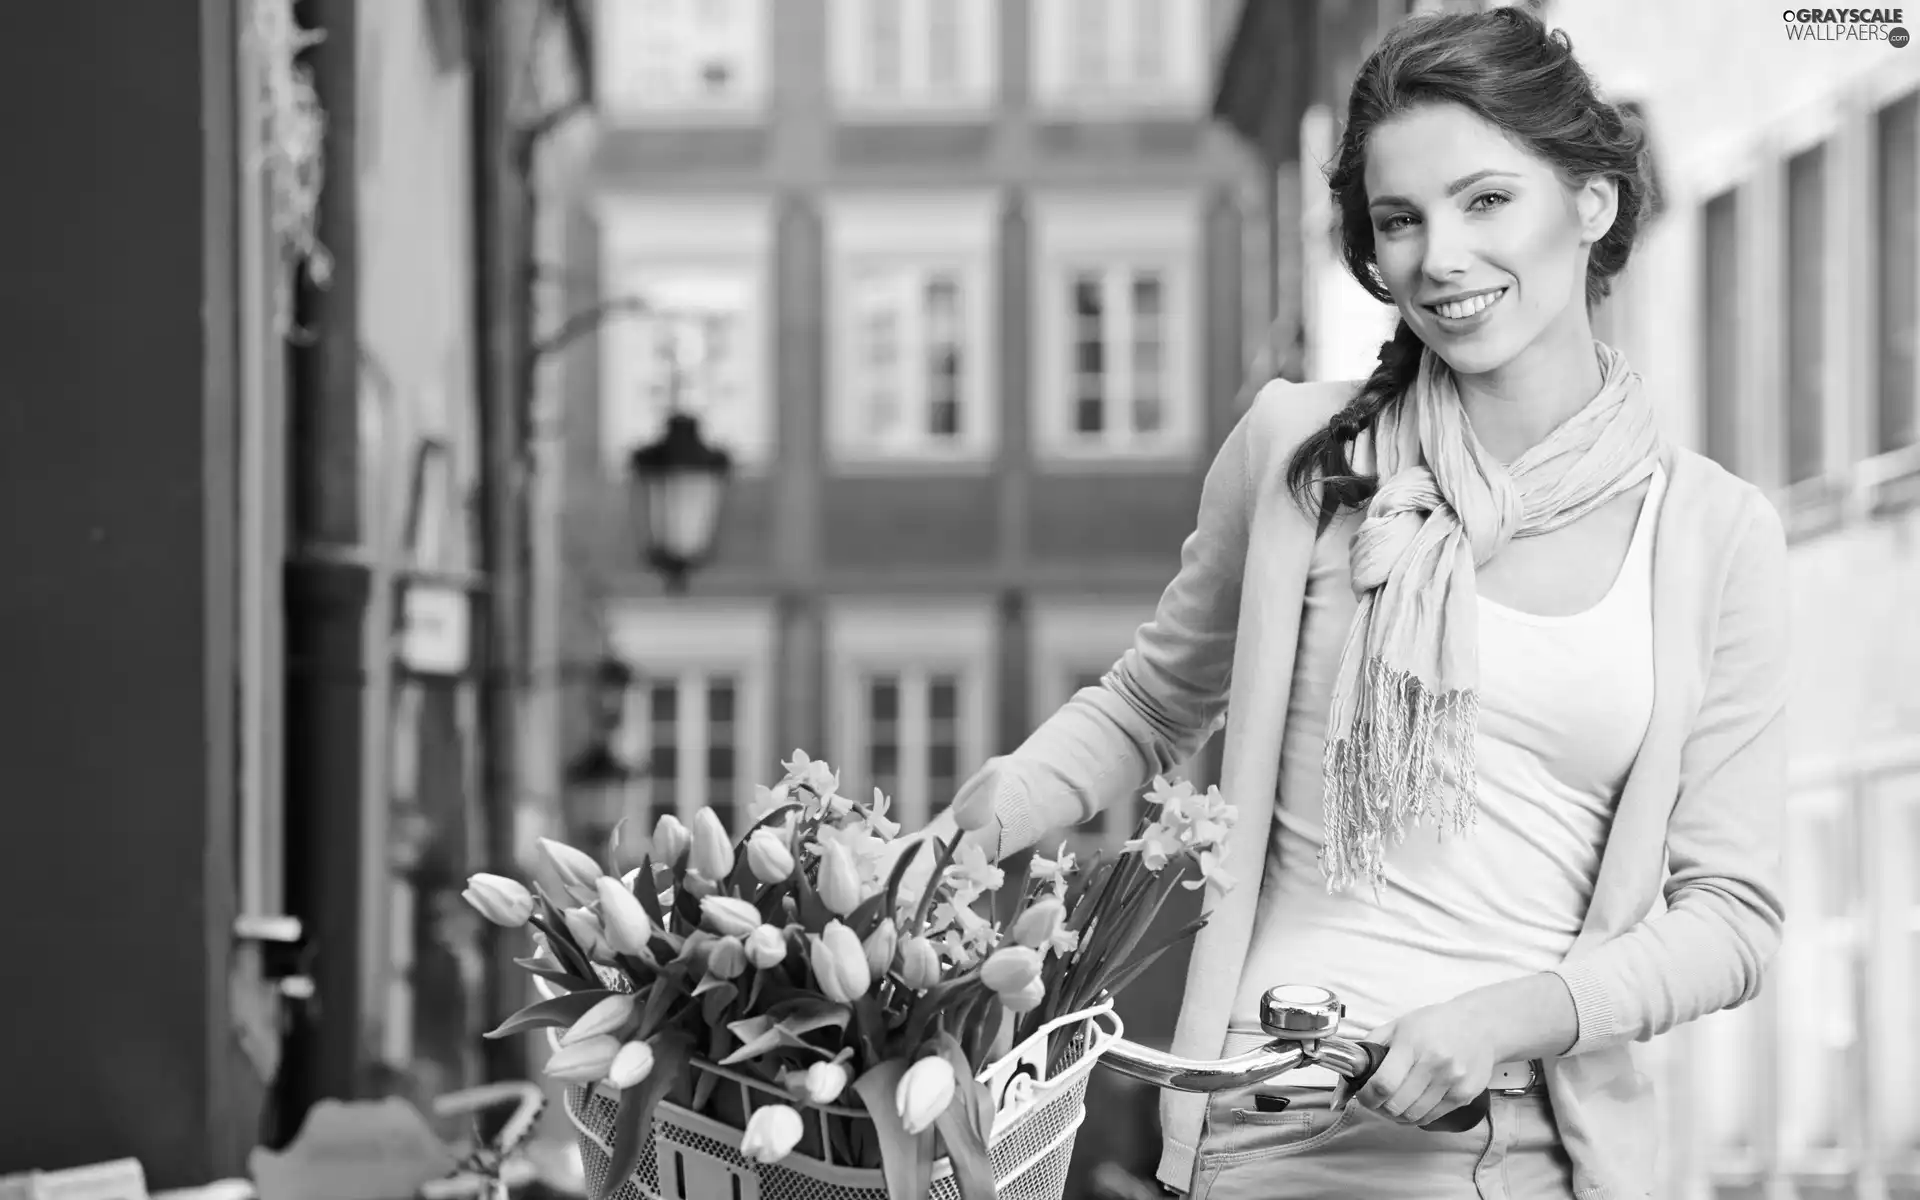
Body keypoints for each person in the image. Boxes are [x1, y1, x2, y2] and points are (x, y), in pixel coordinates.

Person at [905, 7, 1790, 1199]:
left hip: (1522, 1146)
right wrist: (969, 829)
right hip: (1260, 1130)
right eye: (1400, 221)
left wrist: (1514, 1016)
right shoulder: (1301, 455)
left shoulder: (1715, 534)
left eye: (1487, 201)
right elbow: (1149, 707)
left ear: (1593, 202)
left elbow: (1729, 916)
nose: (1441, 258)